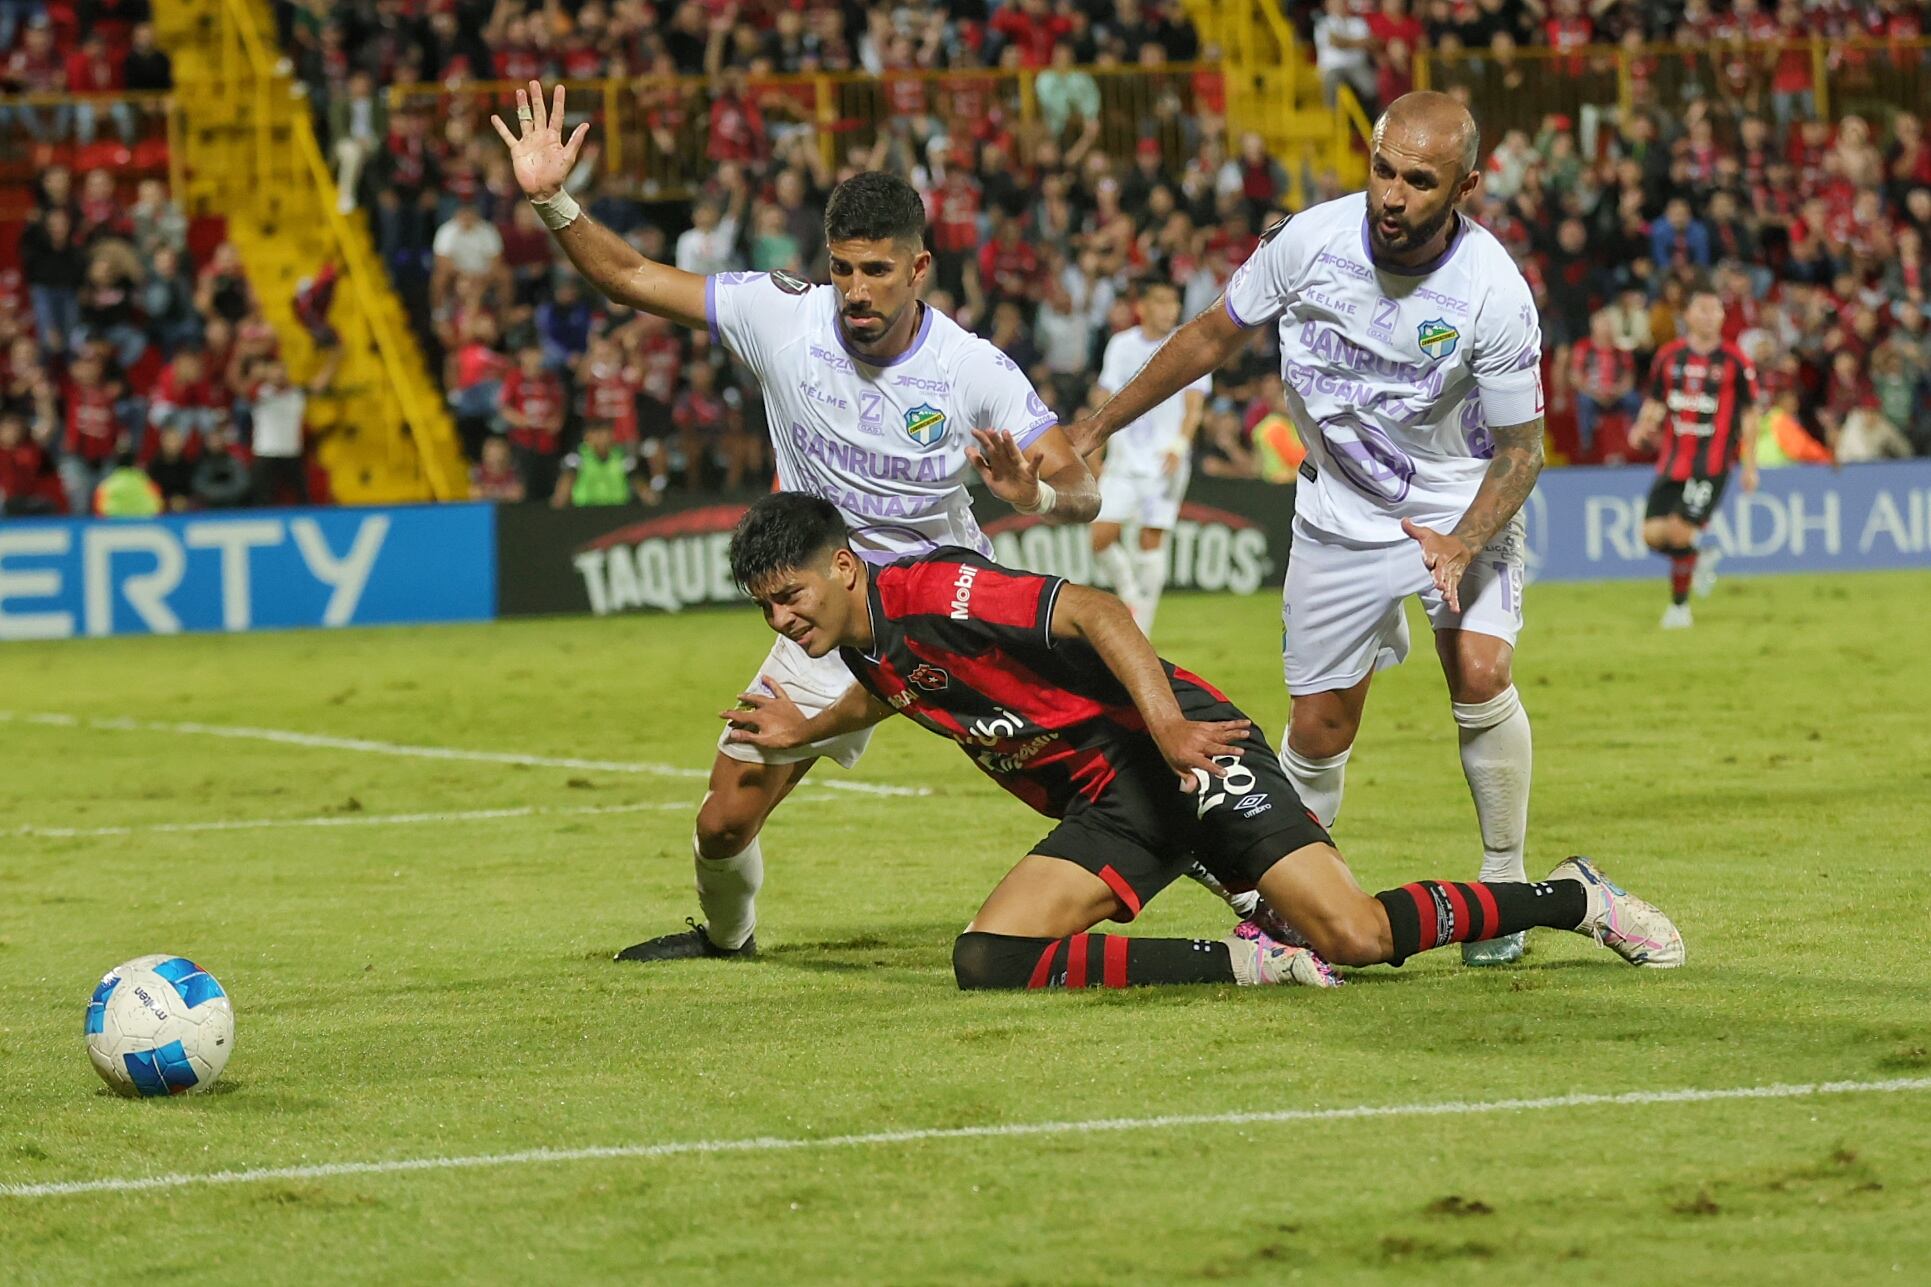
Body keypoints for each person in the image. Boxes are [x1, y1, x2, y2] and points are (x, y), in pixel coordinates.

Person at [491, 81, 1099, 963]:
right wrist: (553, 200)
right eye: (842, 267)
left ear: (918, 269)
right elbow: (629, 276)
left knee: (1099, 766)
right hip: (829, 612)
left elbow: (1081, 486)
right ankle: (727, 940)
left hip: (948, 613)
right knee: (723, 819)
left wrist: (1033, 495)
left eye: (877, 270)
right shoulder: (781, 315)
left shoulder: (971, 369)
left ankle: (1252, 883)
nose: (855, 289)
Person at [721, 493, 1683, 990]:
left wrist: (1171, 726)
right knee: (988, 957)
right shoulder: (868, 642)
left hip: (1186, 752)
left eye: (790, 597)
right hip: (1114, 803)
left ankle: (1572, 896)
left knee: (1355, 934)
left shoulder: (934, 592)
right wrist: (807, 727)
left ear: (843, 567)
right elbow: (899, 690)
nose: (781, 621)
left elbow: (1095, 608)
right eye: (766, 608)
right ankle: (1255, 963)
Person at [1067, 91, 1546, 967]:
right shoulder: (1308, 243)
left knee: (1480, 671)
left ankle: (1504, 884)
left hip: (1456, 500)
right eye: (1382, 169)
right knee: (1320, 727)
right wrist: (1095, 428)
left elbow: (1520, 451)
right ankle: (1292, 907)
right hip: (1336, 509)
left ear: (1466, 188)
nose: (1391, 195)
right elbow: (1210, 337)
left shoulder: (1494, 293)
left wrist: (1465, 539)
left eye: (1419, 181)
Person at [1629, 287, 1762, 630]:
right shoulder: (1668, 357)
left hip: (1712, 465)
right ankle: (1699, 558)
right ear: (1687, 315)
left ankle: (1679, 609)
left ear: (1722, 316)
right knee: (1651, 535)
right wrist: (1643, 426)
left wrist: (1750, 465)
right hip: (1672, 461)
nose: (1708, 316)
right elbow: (1656, 400)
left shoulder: (1735, 360)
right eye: (1701, 309)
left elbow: (1750, 413)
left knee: (1678, 531)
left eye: (1715, 309)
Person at [1090, 279, 1210, 635]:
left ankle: (1142, 628)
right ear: (1141, 306)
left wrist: (1180, 446)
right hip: (1124, 460)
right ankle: (1130, 595)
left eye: (1173, 302)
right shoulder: (1121, 345)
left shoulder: (1187, 345)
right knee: (1100, 537)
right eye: (1160, 301)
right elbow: (1103, 399)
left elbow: (1194, 406)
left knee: (1151, 541)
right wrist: (1096, 449)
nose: (1169, 309)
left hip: (1164, 462)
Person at [552, 421, 651, 507]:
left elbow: (636, 478)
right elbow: (567, 478)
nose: (600, 438)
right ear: (587, 436)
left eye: (604, 433)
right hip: (585, 509)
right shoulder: (578, 456)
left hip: (618, 509)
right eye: (596, 433)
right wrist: (560, 500)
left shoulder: (621, 455)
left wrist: (647, 495)